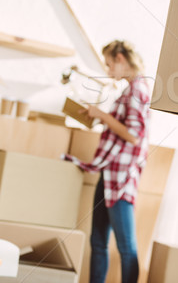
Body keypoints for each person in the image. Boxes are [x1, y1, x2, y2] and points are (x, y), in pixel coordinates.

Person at [64, 40, 150, 283]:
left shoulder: (138, 90)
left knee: (125, 246)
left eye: (110, 63)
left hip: (121, 176)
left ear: (121, 59)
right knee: (98, 241)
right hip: (109, 172)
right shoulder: (128, 90)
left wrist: (101, 114)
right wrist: (99, 118)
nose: (109, 69)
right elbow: (123, 129)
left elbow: (133, 135)